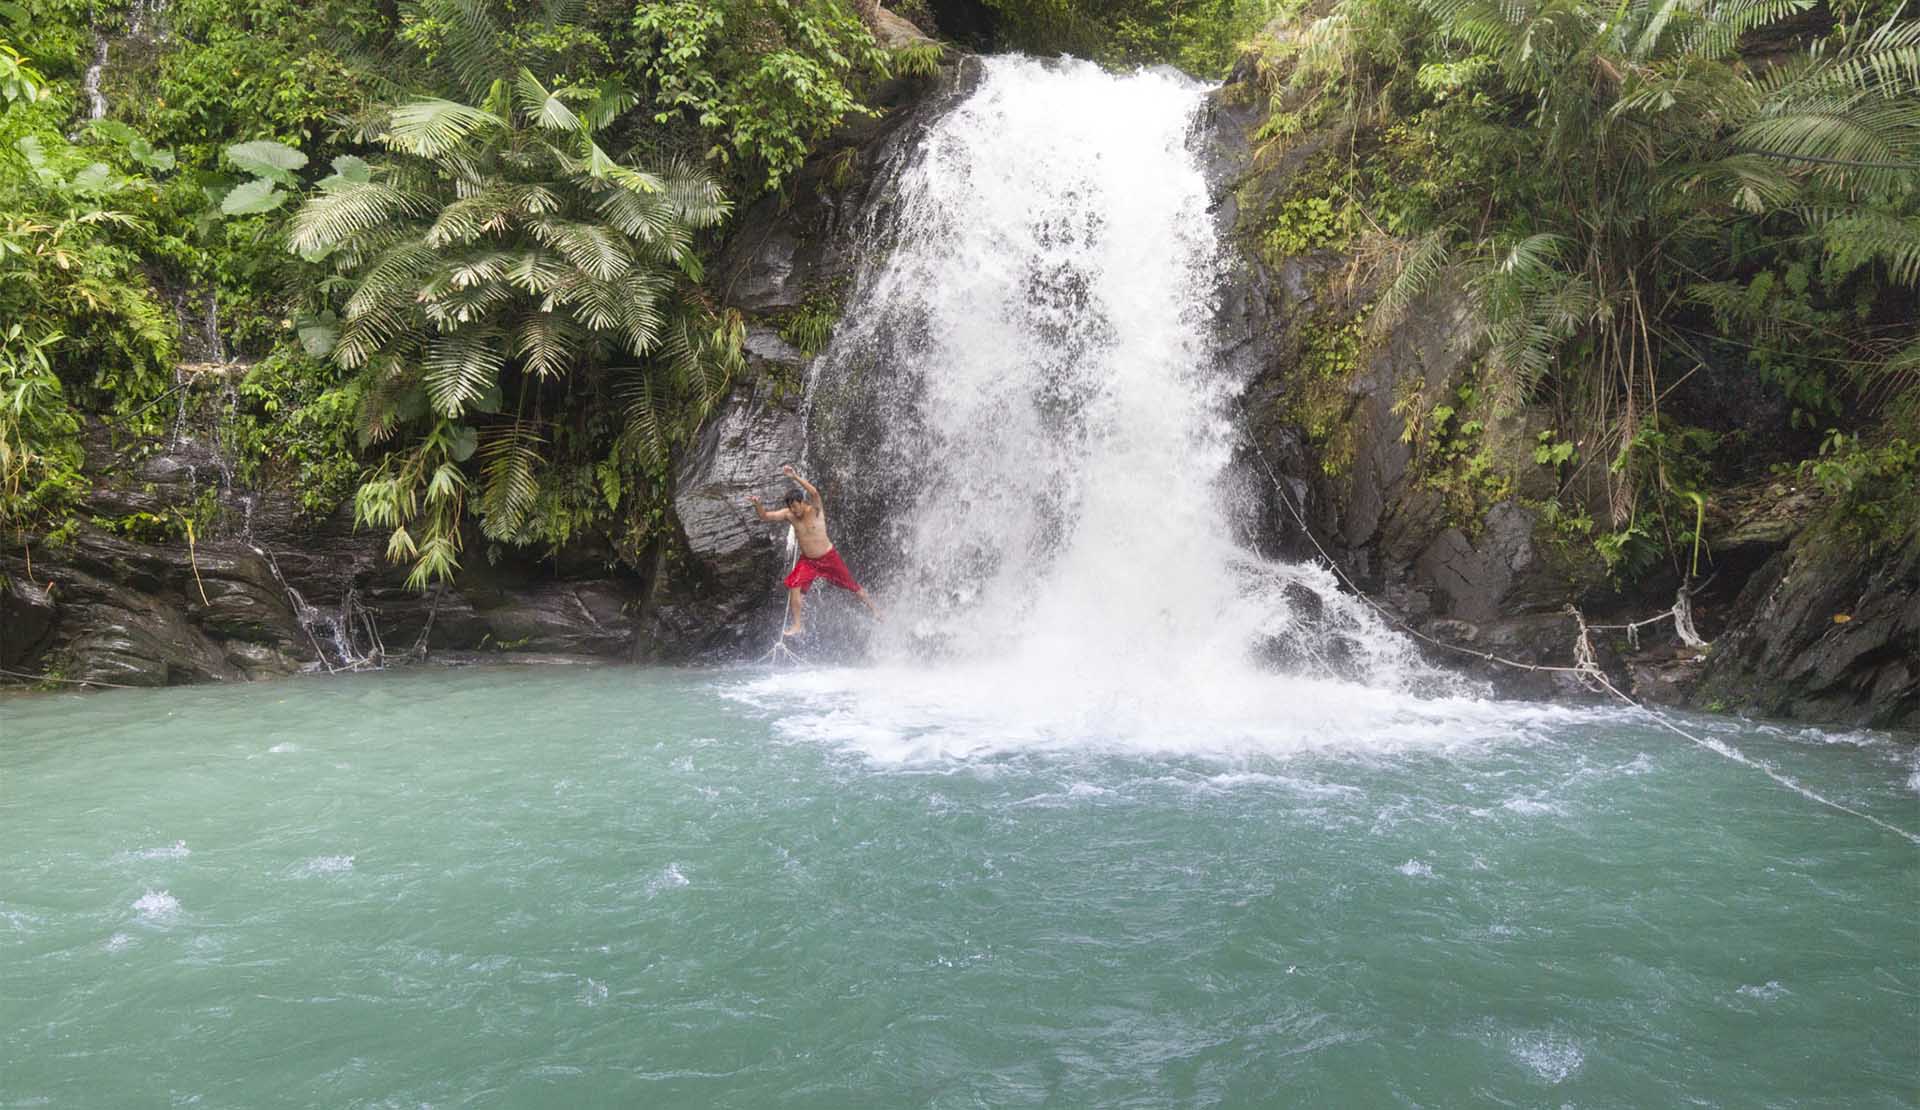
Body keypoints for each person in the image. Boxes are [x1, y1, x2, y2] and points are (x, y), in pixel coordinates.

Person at [748, 465, 882, 637]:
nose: (794, 511)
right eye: (791, 508)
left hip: (828, 558)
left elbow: (815, 493)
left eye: (796, 506)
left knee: (853, 587)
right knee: (793, 586)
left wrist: (795, 476)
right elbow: (765, 516)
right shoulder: (789, 514)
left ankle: (875, 610)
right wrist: (757, 504)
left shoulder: (815, 510)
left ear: (802, 502)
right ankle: (798, 625)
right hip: (808, 562)